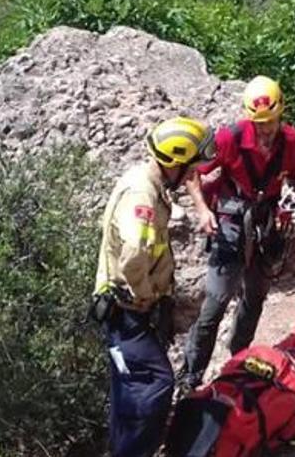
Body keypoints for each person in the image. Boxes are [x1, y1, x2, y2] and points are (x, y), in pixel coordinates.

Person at [90, 117, 215, 457]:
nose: (193, 174)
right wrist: (145, 296)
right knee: (155, 387)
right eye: (190, 167)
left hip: (128, 310)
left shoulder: (147, 182)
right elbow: (133, 259)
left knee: (128, 393)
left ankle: (121, 448)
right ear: (174, 162)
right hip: (127, 311)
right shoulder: (142, 197)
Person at [179, 75, 295, 391]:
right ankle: (191, 373)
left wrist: (293, 206)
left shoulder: (291, 141)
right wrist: (203, 210)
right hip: (232, 223)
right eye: (259, 123)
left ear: (280, 114)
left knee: (254, 298)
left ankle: (237, 363)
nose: (265, 129)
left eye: (270, 122)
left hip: (264, 225)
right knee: (216, 302)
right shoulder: (228, 138)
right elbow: (192, 172)